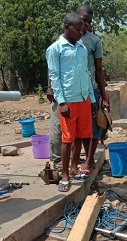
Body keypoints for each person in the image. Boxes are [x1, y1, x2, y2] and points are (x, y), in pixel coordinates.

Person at [46, 4, 107, 174]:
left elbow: (93, 71)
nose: (85, 26)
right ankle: (60, 165)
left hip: (85, 93)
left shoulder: (89, 43)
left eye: (88, 22)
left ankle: (78, 163)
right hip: (65, 95)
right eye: (82, 21)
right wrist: (51, 89)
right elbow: (53, 70)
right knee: (62, 131)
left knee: (85, 132)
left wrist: (99, 96)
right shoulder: (59, 44)